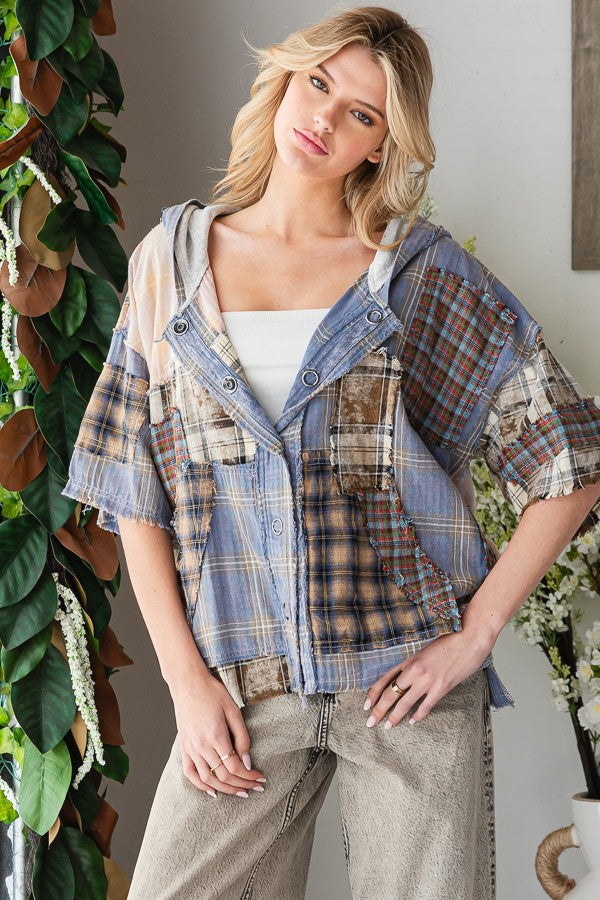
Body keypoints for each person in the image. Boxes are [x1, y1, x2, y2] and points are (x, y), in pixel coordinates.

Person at [62, 6, 600, 899]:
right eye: (319, 84)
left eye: (362, 113)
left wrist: (473, 637)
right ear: (285, 80)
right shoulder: (171, 262)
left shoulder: (417, 274)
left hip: (406, 684)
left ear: (382, 145)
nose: (324, 118)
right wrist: (186, 682)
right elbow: (132, 483)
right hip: (243, 685)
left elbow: (569, 460)